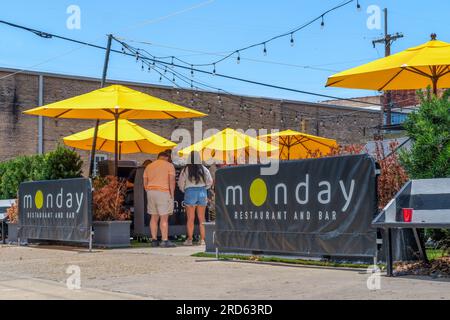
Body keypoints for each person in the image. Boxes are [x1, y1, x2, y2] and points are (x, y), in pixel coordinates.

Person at [178, 151, 213, 246]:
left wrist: (184, 190)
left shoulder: (186, 169)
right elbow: (210, 181)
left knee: (190, 218)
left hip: (190, 192)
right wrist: (204, 188)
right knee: (202, 218)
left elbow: (180, 183)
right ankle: (202, 240)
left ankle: (189, 240)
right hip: (202, 192)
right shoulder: (204, 169)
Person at [143, 152, 176, 248]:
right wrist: (172, 195)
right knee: (164, 218)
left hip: (151, 192)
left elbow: (145, 182)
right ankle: (164, 240)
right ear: (167, 157)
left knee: (154, 217)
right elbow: (172, 181)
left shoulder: (149, 166)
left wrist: (148, 190)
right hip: (163, 192)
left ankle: (154, 240)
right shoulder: (169, 166)